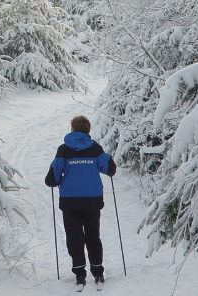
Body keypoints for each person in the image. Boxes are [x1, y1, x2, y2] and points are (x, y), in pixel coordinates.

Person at [45, 115, 116, 287]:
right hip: (92, 200)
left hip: (70, 202)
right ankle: (98, 272)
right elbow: (110, 170)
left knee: (74, 238)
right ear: (88, 130)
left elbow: (51, 180)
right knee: (93, 236)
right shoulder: (95, 148)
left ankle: (79, 273)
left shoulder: (63, 150)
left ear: (72, 129)